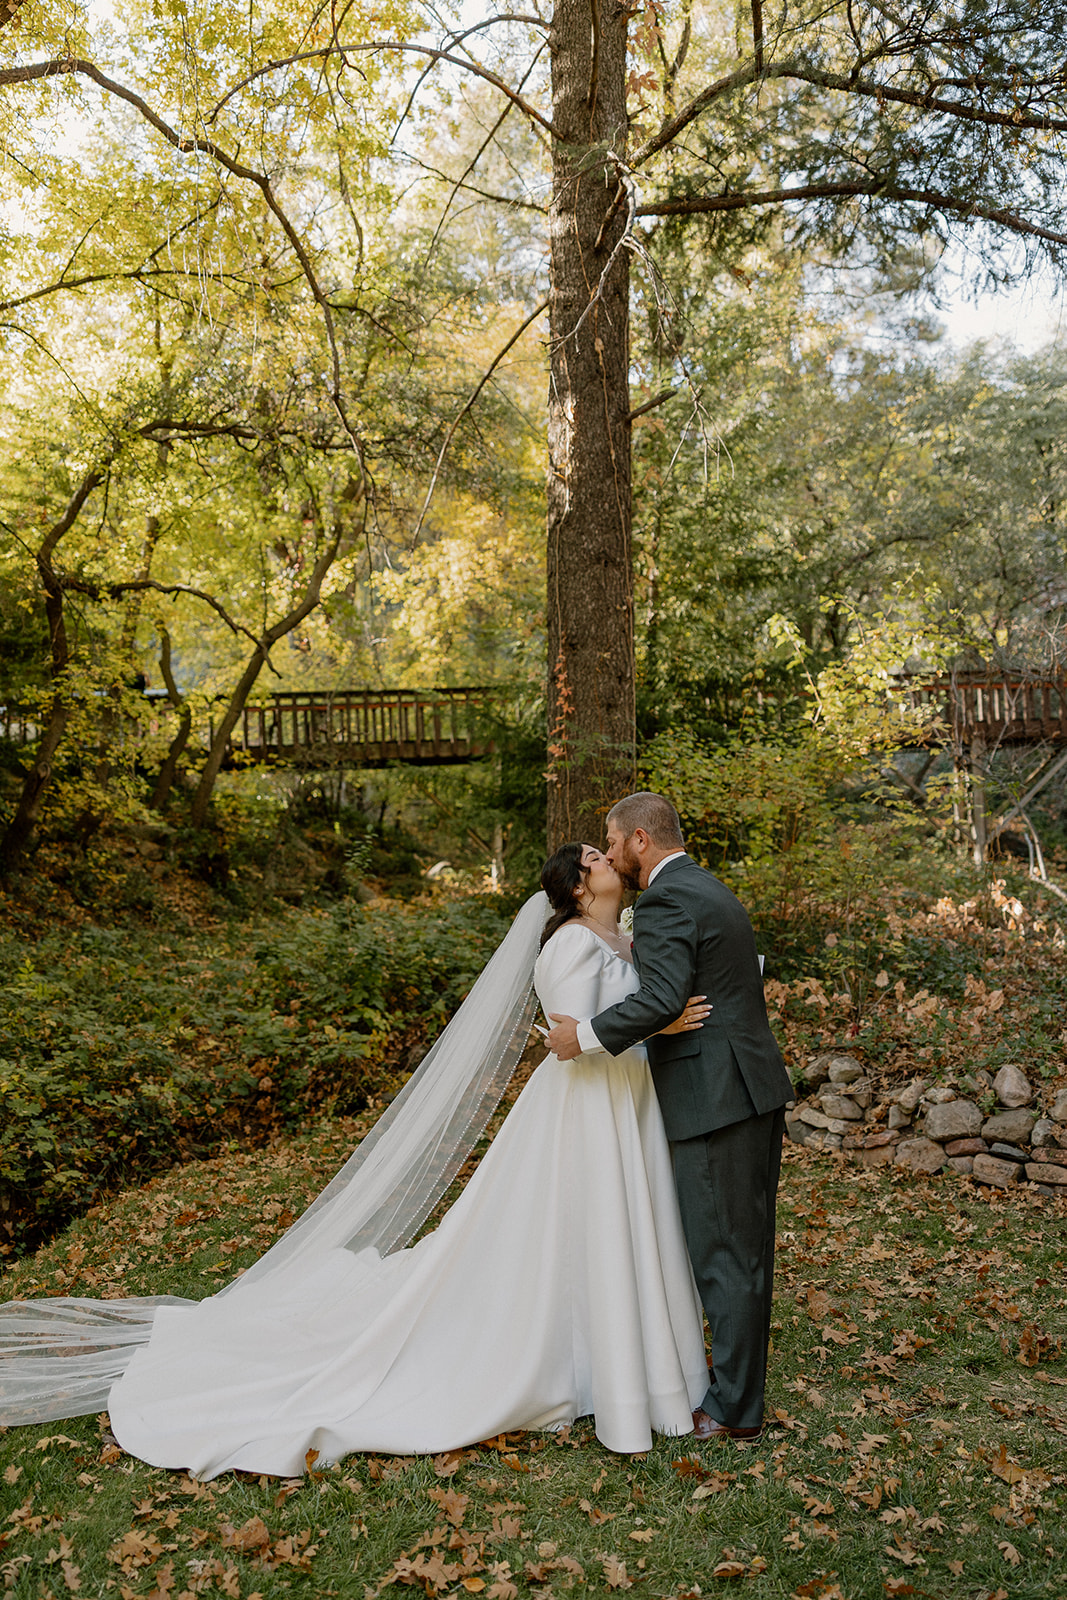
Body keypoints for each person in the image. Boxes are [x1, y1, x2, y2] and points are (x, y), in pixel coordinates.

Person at [0, 846, 712, 1476]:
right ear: (578, 887)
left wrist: (659, 1016)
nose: (606, 857)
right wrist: (659, 1021)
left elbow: (619, 1019)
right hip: (583, 1108)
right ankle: (596, 1362)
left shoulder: (621, 935)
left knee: (612, 1227)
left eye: (603, 849)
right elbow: (578, 1037)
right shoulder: (568, 948)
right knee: (571, 1229)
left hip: (621, 1104)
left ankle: (620, 1351)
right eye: (592, 856)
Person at [547, 793, 793, 1441]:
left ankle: (733, 1408)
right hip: (750, 1090)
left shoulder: (662, 900)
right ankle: (738, 1387)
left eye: (610, 839)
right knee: (745, 1253)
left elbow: (660, 995)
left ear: (638, 841)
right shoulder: (705, 886)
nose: (608, 851)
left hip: (713, 1100)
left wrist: (585, 1039)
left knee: (723, 1258)